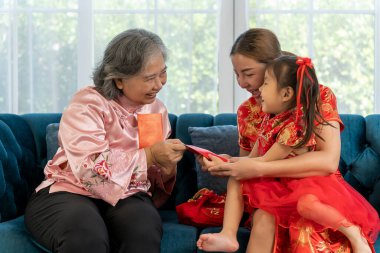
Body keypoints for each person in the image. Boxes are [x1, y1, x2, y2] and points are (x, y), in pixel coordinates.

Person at [197, 28, 379, 252]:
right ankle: (229, 236)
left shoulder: (317, 96)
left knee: (305, 218)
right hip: (269, 194)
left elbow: (327, 162)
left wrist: (256, 167)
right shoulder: (248, 111)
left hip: (314, 190)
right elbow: (248, 165)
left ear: (274, 67)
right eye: (236, 74)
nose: (241, 83)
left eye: (249, 73)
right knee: (264, 215)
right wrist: (227, 163)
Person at [24, 28, 186, 253]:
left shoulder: (154, 110)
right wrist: (149, 155)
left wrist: (166, 166)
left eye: (163, 73)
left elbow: (149, 177)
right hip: (69, 190)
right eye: (149, 78)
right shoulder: (88, 103)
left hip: (128, 195)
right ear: (119, 80)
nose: (159, 84)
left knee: (143, 230)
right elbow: (90, 168)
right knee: (85, 236)